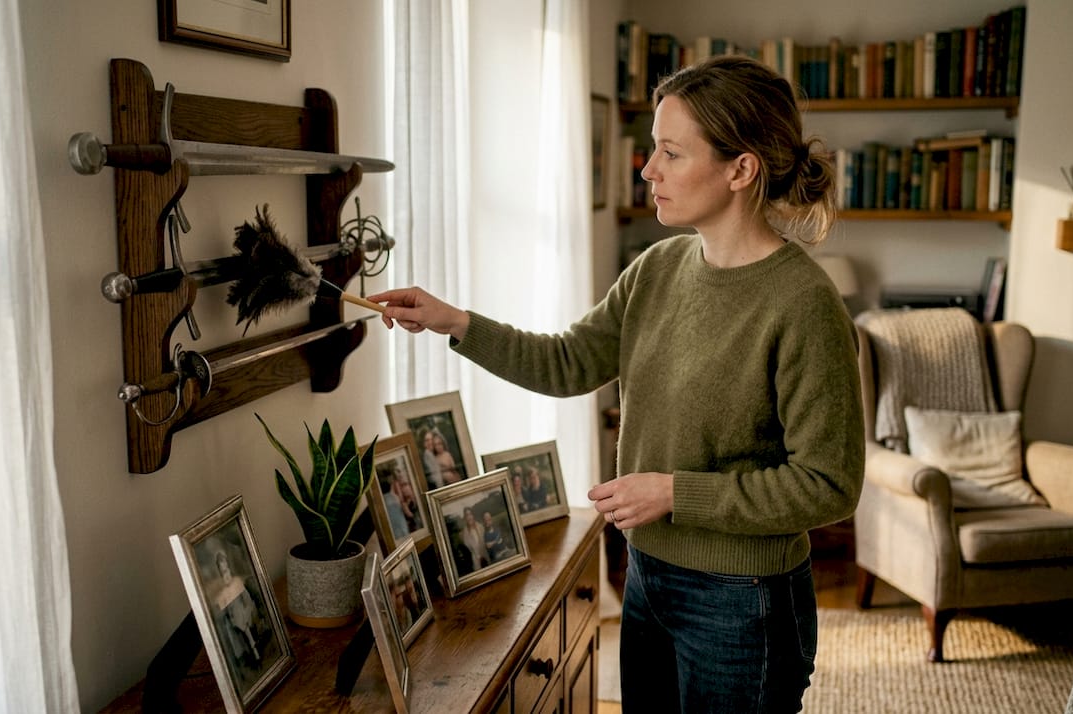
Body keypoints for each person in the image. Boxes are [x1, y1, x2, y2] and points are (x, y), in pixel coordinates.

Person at [369, 55, 864, 712]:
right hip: (647, 578)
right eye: (651, 150)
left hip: (744, 604)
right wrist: (453, 321)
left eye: (670, 153)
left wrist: (674, 493)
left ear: (740, 169)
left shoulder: (803, 303)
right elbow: (567, 361)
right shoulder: (657, 268)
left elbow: (830, 485)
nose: (647, 170)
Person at [458, 507, 490, 572]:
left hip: (487, 559)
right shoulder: (464, 534)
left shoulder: (481, 527)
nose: (469, 517)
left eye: (470, 514)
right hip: (476, 565)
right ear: (465, 518)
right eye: (467, 515)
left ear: (473, 516)